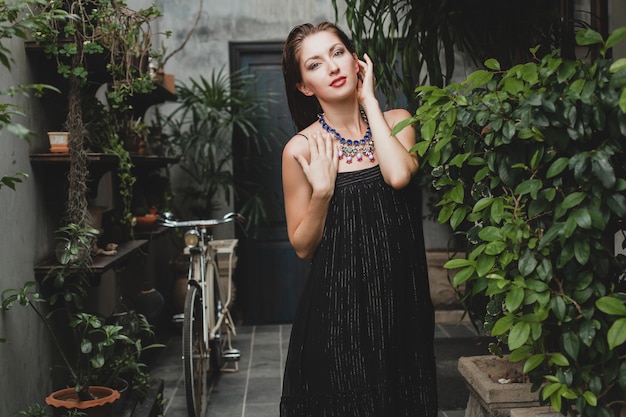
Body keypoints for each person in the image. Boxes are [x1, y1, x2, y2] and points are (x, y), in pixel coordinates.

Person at [280, 22, 438, 416]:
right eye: (315, 64)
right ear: (304, 85)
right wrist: (321, 192)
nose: (332, 68)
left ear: (356, 60)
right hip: (339, 313)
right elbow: (302, 247)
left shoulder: (398, 121)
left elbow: (398, 175)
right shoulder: (301, 149)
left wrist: (369, 101)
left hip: (403, 304)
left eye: (337, 53)